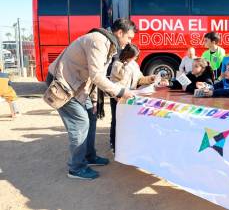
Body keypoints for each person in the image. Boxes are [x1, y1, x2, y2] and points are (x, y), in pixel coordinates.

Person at [46, 18, 138, 180]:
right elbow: (96, 76)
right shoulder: (99, 42)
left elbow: (94, 75)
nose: (129, 42)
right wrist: (121, 92)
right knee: (81, 122)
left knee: (91, 114)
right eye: (129, 38)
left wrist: (94, 101)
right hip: (63, 83)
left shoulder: (108, 44)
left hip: (78, 84)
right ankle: (76, 168)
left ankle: (89, 156)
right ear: (120, 33)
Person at [109, 43, 166, 152]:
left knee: (129, 121)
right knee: (117, 121)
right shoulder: (118, 65)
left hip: (131, 96)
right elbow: (114, 83)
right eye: (135, 56)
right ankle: (114, 145)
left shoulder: (134, 64)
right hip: (119, 97)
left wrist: (151, 78)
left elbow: (139, 79)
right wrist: (121, 94)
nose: (136, 58)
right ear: (129, 55)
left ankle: (127, 144)